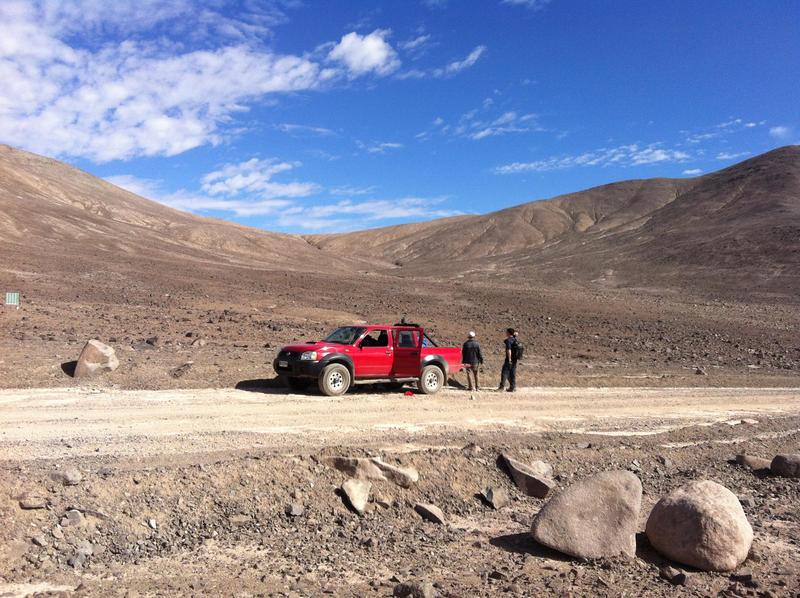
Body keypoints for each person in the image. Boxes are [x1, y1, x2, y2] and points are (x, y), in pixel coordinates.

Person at [498, 328, 518, 392]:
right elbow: (515, 334)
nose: (505, 333)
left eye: (506, 332)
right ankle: (513, 387)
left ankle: (501, 387)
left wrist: (509, 359)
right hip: (515, 360)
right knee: (512, 373)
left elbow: (509, 350)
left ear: (508, 333)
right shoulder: (515, 339)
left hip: (509, 359)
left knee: (504, 372)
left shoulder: (508, 341)